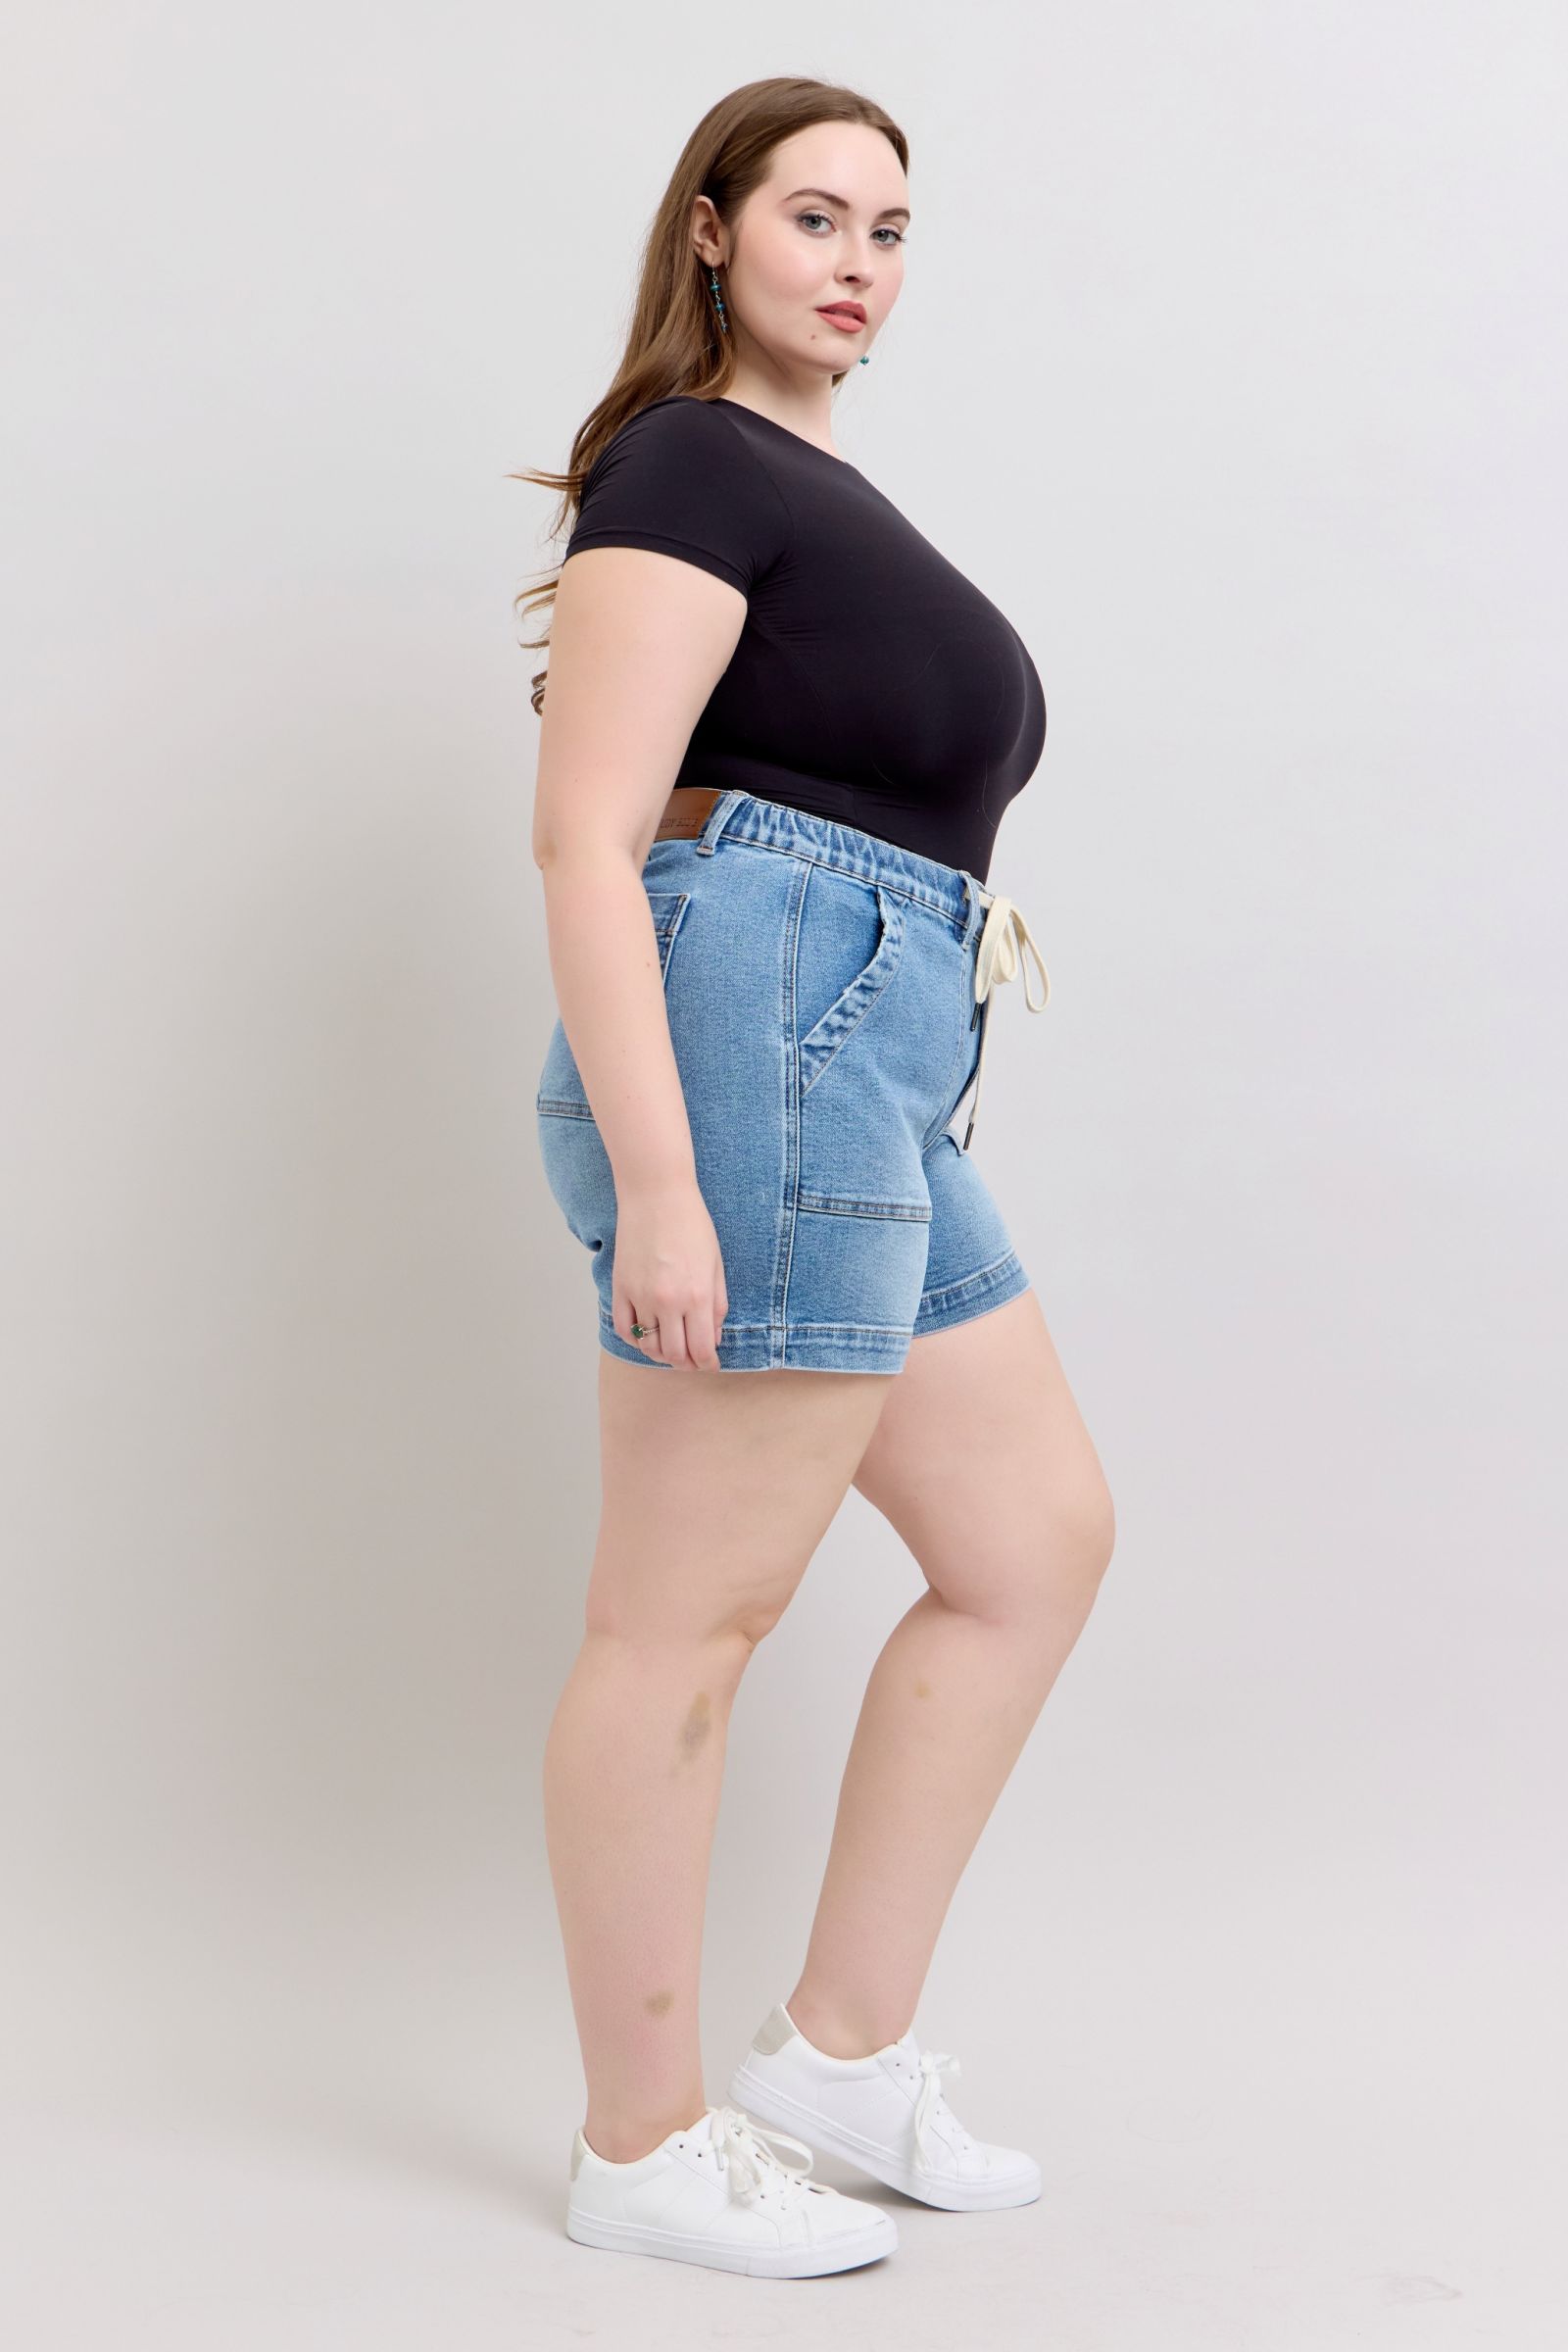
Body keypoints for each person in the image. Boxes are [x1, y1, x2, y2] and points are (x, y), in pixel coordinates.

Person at [514, 76, 1116, 2278]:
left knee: (1031, 1541)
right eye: (812, 218)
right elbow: (589, 834)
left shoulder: (814, 487)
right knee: (684, 1617)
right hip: (760, 1043)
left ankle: (839, 2059)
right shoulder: (687, 463)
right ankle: (639, 2145)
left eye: (889, 229)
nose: (858, 264)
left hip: (865, 1052)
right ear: (709, 230)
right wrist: (662, 1182)